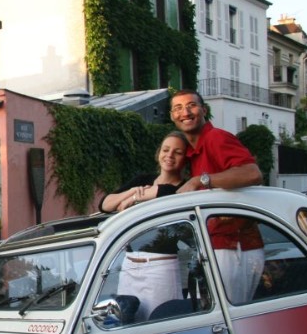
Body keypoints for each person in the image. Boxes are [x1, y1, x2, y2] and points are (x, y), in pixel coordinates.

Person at [170, 89, 264, 303]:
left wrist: (199, 181)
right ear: (172, 116)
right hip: (219, 246)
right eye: (178, 108)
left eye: (191, 105)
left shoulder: (216, 138)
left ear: (204, 110)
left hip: (234, 247)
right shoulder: (193, 152)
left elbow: (252, 173)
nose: (185, 112)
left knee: (233, 319)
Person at [99, 131, 189, 213]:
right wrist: (132, 192)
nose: (169, 155)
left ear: (186, 159)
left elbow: (166, 191)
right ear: (159, 153)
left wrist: (134, 198)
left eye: (178, 152)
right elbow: (104, 205)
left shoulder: (185, 188)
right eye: (165, 150)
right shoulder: (142, 180)